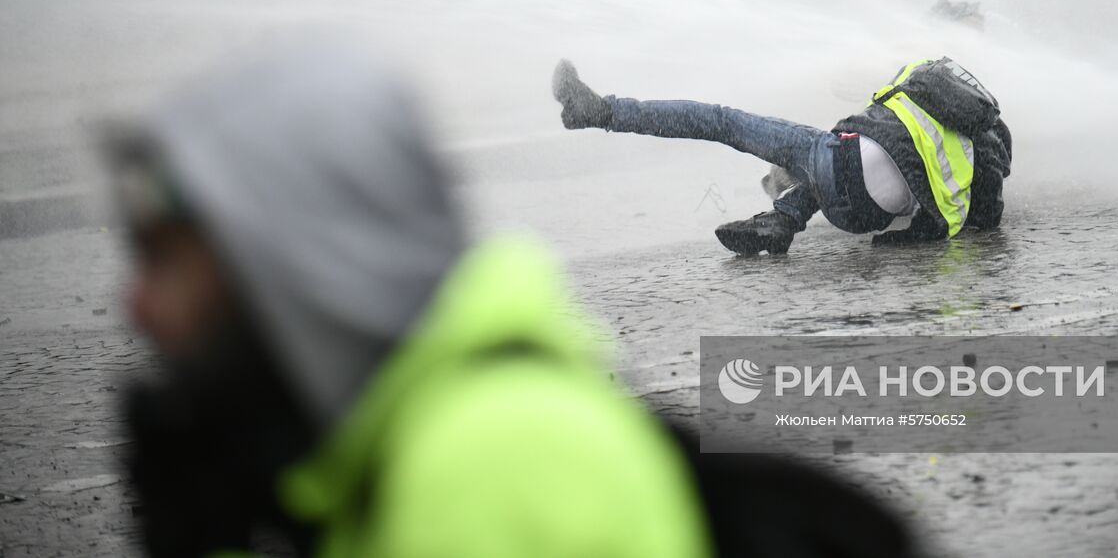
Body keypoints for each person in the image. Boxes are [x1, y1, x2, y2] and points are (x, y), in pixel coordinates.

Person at [106, 40, 711, 557]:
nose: (137, 304)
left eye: (170, 259)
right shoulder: (384, 449)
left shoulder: (491, 461)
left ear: (292, 253)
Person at [551, 57, 1012, 256]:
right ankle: (779, 223)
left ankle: (601, 110)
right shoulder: (971, 156)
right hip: (861, 215)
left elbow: (866, 115)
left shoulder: (924, 80)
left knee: (721, 121)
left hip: (838, 166)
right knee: (831, 158)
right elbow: (986, 218)